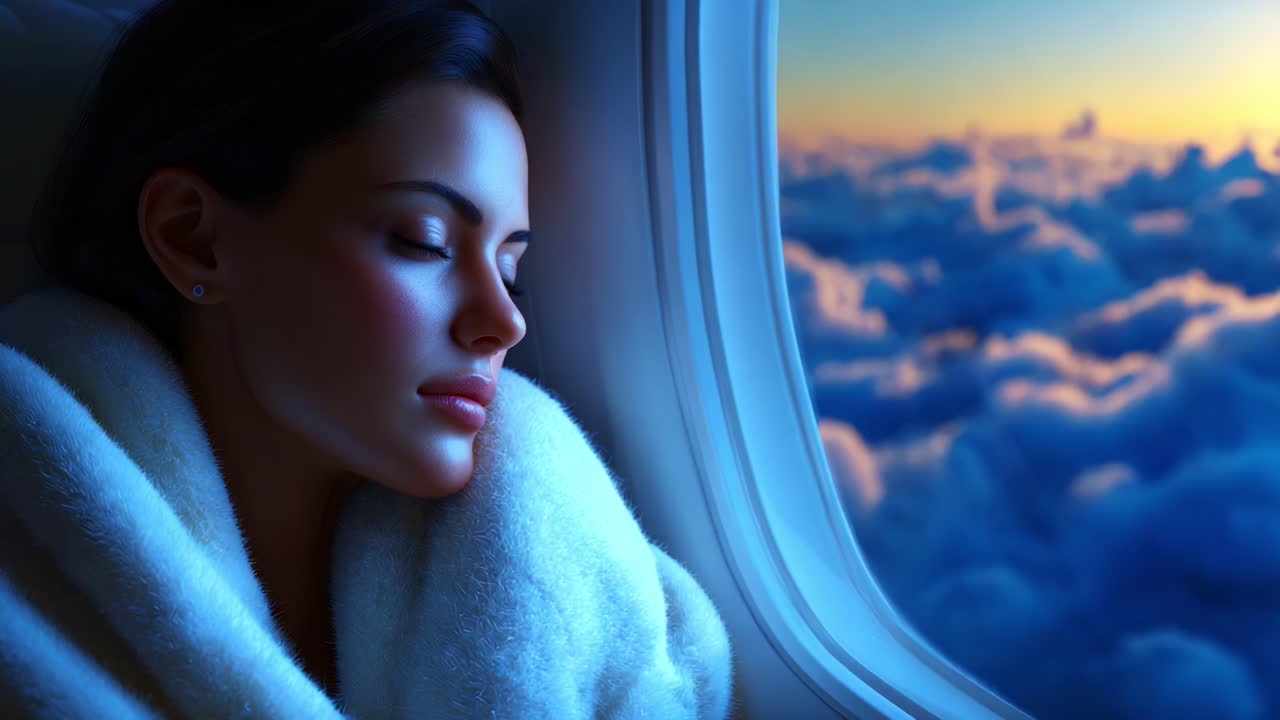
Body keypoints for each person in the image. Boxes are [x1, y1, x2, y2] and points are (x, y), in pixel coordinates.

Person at [0, 1, 732, 717]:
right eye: (425, 240)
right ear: (193, 237)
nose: (505, 321)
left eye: (511, 268)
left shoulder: (554, 550)